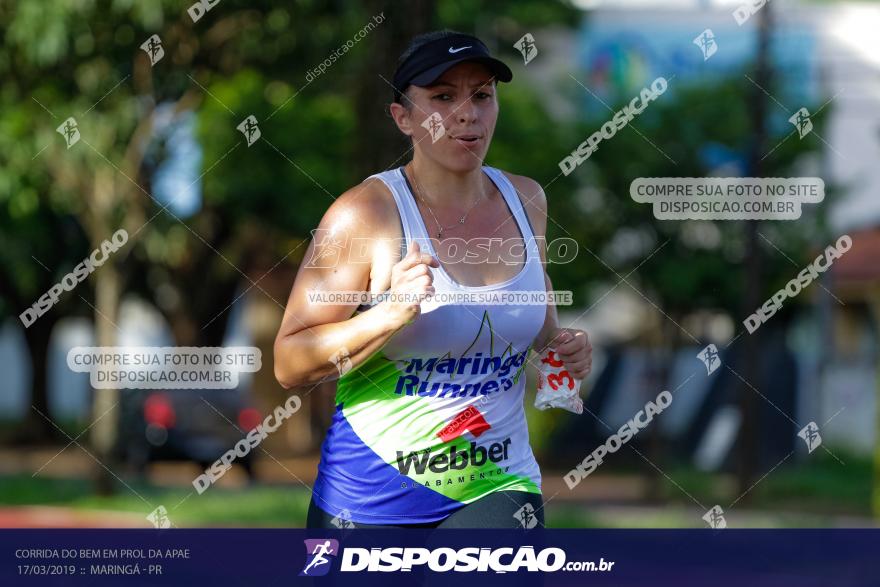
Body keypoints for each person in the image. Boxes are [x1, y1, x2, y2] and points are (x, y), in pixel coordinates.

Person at [274, 30, 592, 529]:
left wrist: (562, 347)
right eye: (443, 97)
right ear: (403, 117)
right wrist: (388, 315)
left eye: (482, 95)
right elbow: (291, 361)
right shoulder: (366, 213)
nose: (467, 113)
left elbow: (536, 325)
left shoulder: (528, 200)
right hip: (370, 497)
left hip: (499, 483)